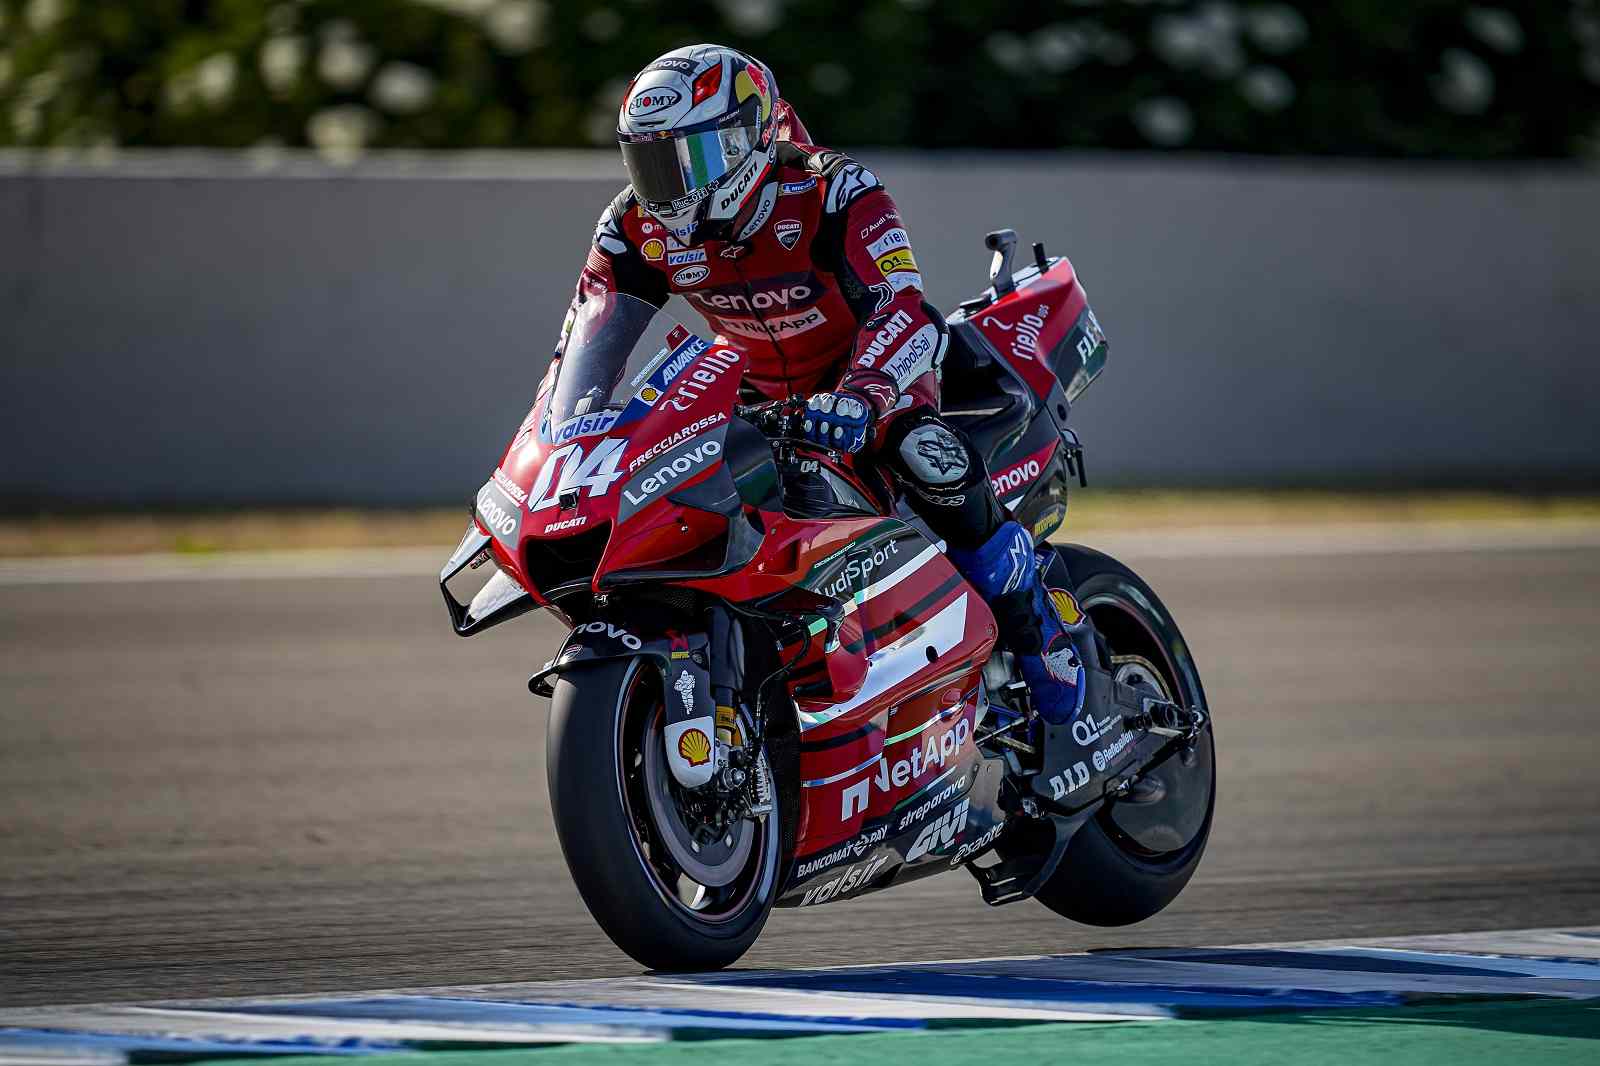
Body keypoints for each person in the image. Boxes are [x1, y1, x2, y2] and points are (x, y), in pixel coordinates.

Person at [560, 43, 1082, 722]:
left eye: (688, 159)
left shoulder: (832, 188)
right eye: (649, 161)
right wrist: (570, 429)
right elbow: (586, 342)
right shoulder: (633, 227)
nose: (668, 184)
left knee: (927, 454)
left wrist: (863, 397)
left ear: (747, 136)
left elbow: (902, 308)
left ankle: (1038, 631)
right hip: (752, 404)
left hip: (870, 383)